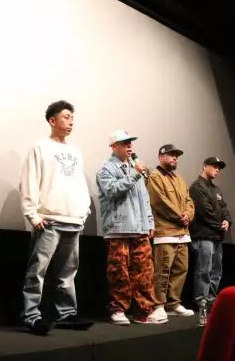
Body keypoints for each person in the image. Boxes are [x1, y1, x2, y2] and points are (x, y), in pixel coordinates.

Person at [19, 100, 94, 335]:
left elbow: (79, 182)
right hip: (49, 220)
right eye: (66, 117)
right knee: (37, 271)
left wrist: (84, 210)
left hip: (73, 220)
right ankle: (31, 315)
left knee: (67, 273)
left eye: (72, 117)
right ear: (52, 120)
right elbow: (30, 180)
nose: (71, 122)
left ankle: (67, 313)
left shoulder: (75, 151)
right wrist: (32, 214)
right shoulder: (40, 147)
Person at [96, 130, 167, 326]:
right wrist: (135, 173)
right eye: (124, 143)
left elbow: (144, 199)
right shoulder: (106, 169)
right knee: (119, 271)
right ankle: (118, 309)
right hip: (118, 229)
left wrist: (149, 222)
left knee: (144, 272)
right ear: (113, 147)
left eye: (130, 142)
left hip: (140, 229)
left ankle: (144, 311)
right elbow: (112, 191)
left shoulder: (135, 168)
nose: (129, 146)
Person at [146, 144, 195, 317]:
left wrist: (188, 214)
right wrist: (180, 216)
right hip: (165, 232)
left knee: (181, 269)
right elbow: (159, 201)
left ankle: (173, 303)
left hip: (183, 233)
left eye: (176, 156)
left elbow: (189, 200)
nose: (175, 158)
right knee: (163, 270)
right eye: (171, 155)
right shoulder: (155, 176)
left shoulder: (179, 179)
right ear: (161, 157)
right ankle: (159, 305)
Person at [189, 157, 231, 324]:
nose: (217, 170)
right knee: (203, 270)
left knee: (216, 270)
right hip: (204, 236)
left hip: (216, 236)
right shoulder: (196, 187)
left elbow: (224, 208)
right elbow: (204, 211)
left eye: (219, 167)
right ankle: (202, 301)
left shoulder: (216, 189)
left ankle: (212, 299)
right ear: (204, 166)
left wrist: (227, 220)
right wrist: (220, 224)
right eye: (214, 166)